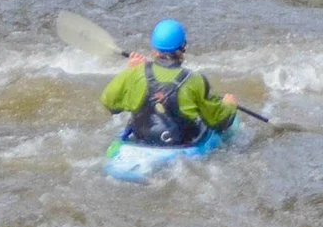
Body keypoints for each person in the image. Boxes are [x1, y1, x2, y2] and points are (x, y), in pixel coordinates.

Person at [101, 20, 238, 148]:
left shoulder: (135, 73)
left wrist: (131, 72)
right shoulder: (195, 79)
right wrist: (229, 106)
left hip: (142, 142)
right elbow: (217, 120)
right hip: (179, 147)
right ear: (183, 47)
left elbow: (109, 102)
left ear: (154, 48)